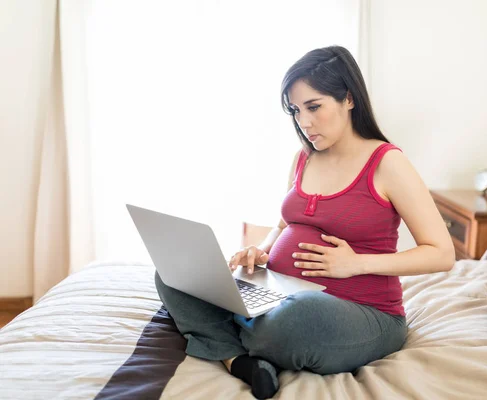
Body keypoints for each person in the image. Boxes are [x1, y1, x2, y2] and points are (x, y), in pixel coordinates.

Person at [155, 45, 454, 399]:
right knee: (175, 273)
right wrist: (261, 252)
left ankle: (229, 336)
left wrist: (356, 263)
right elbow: (284, 225)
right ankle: (240, 360)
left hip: (360, 313)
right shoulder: (303, 158)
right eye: (296, 111)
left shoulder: (387, 163)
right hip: (279, 293)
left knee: (297, 318)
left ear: (348, 99)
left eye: (314, 107)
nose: (304, 122)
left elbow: (441, 253)